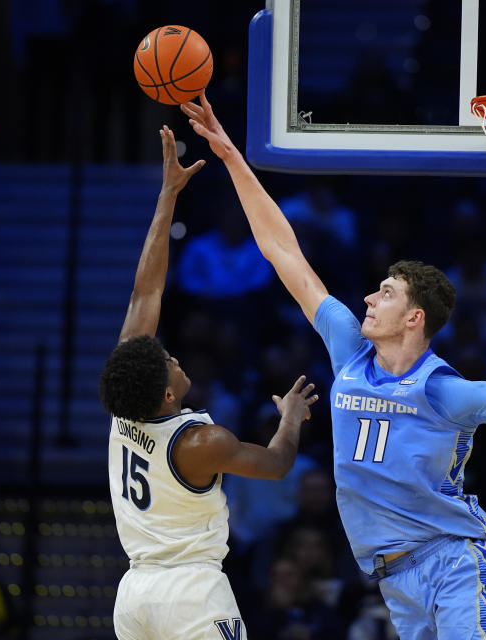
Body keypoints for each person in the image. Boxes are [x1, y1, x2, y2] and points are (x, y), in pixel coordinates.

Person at [183, 93, 486, 639]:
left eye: (385, 293)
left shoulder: (448, 391)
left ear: (414, 318)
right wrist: (233, 155)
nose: (369, 300)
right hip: (394, 577)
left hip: (457, 564)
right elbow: (284, 252)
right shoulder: (349, 351)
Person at [97, 125, 319, 640]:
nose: (171, 355)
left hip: (133, 595)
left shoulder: (124, 404)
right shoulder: (201, 442)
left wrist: (167, 196)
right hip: (191, 595)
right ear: (169, 394)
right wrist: (288, 419)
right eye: (167, 362)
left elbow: (144, 293)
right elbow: (278, 464)